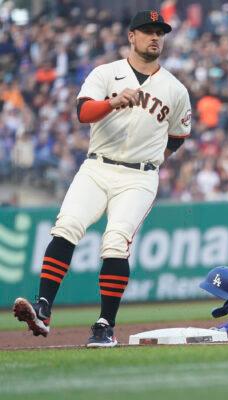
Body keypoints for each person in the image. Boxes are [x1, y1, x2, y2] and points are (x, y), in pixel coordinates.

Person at [13, 10, 192, 347]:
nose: (155, 37)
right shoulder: (106, 73)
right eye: (148, 30)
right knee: (66, 226)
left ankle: (105, 325)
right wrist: (111, 102)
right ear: (131, 36)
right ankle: (43, 308)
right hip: (96, 167)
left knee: (115, 242)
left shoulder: (175, 89)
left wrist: (152, 160)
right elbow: (83, 113)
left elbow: (178, 137)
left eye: (160, 32)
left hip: (139, 177)